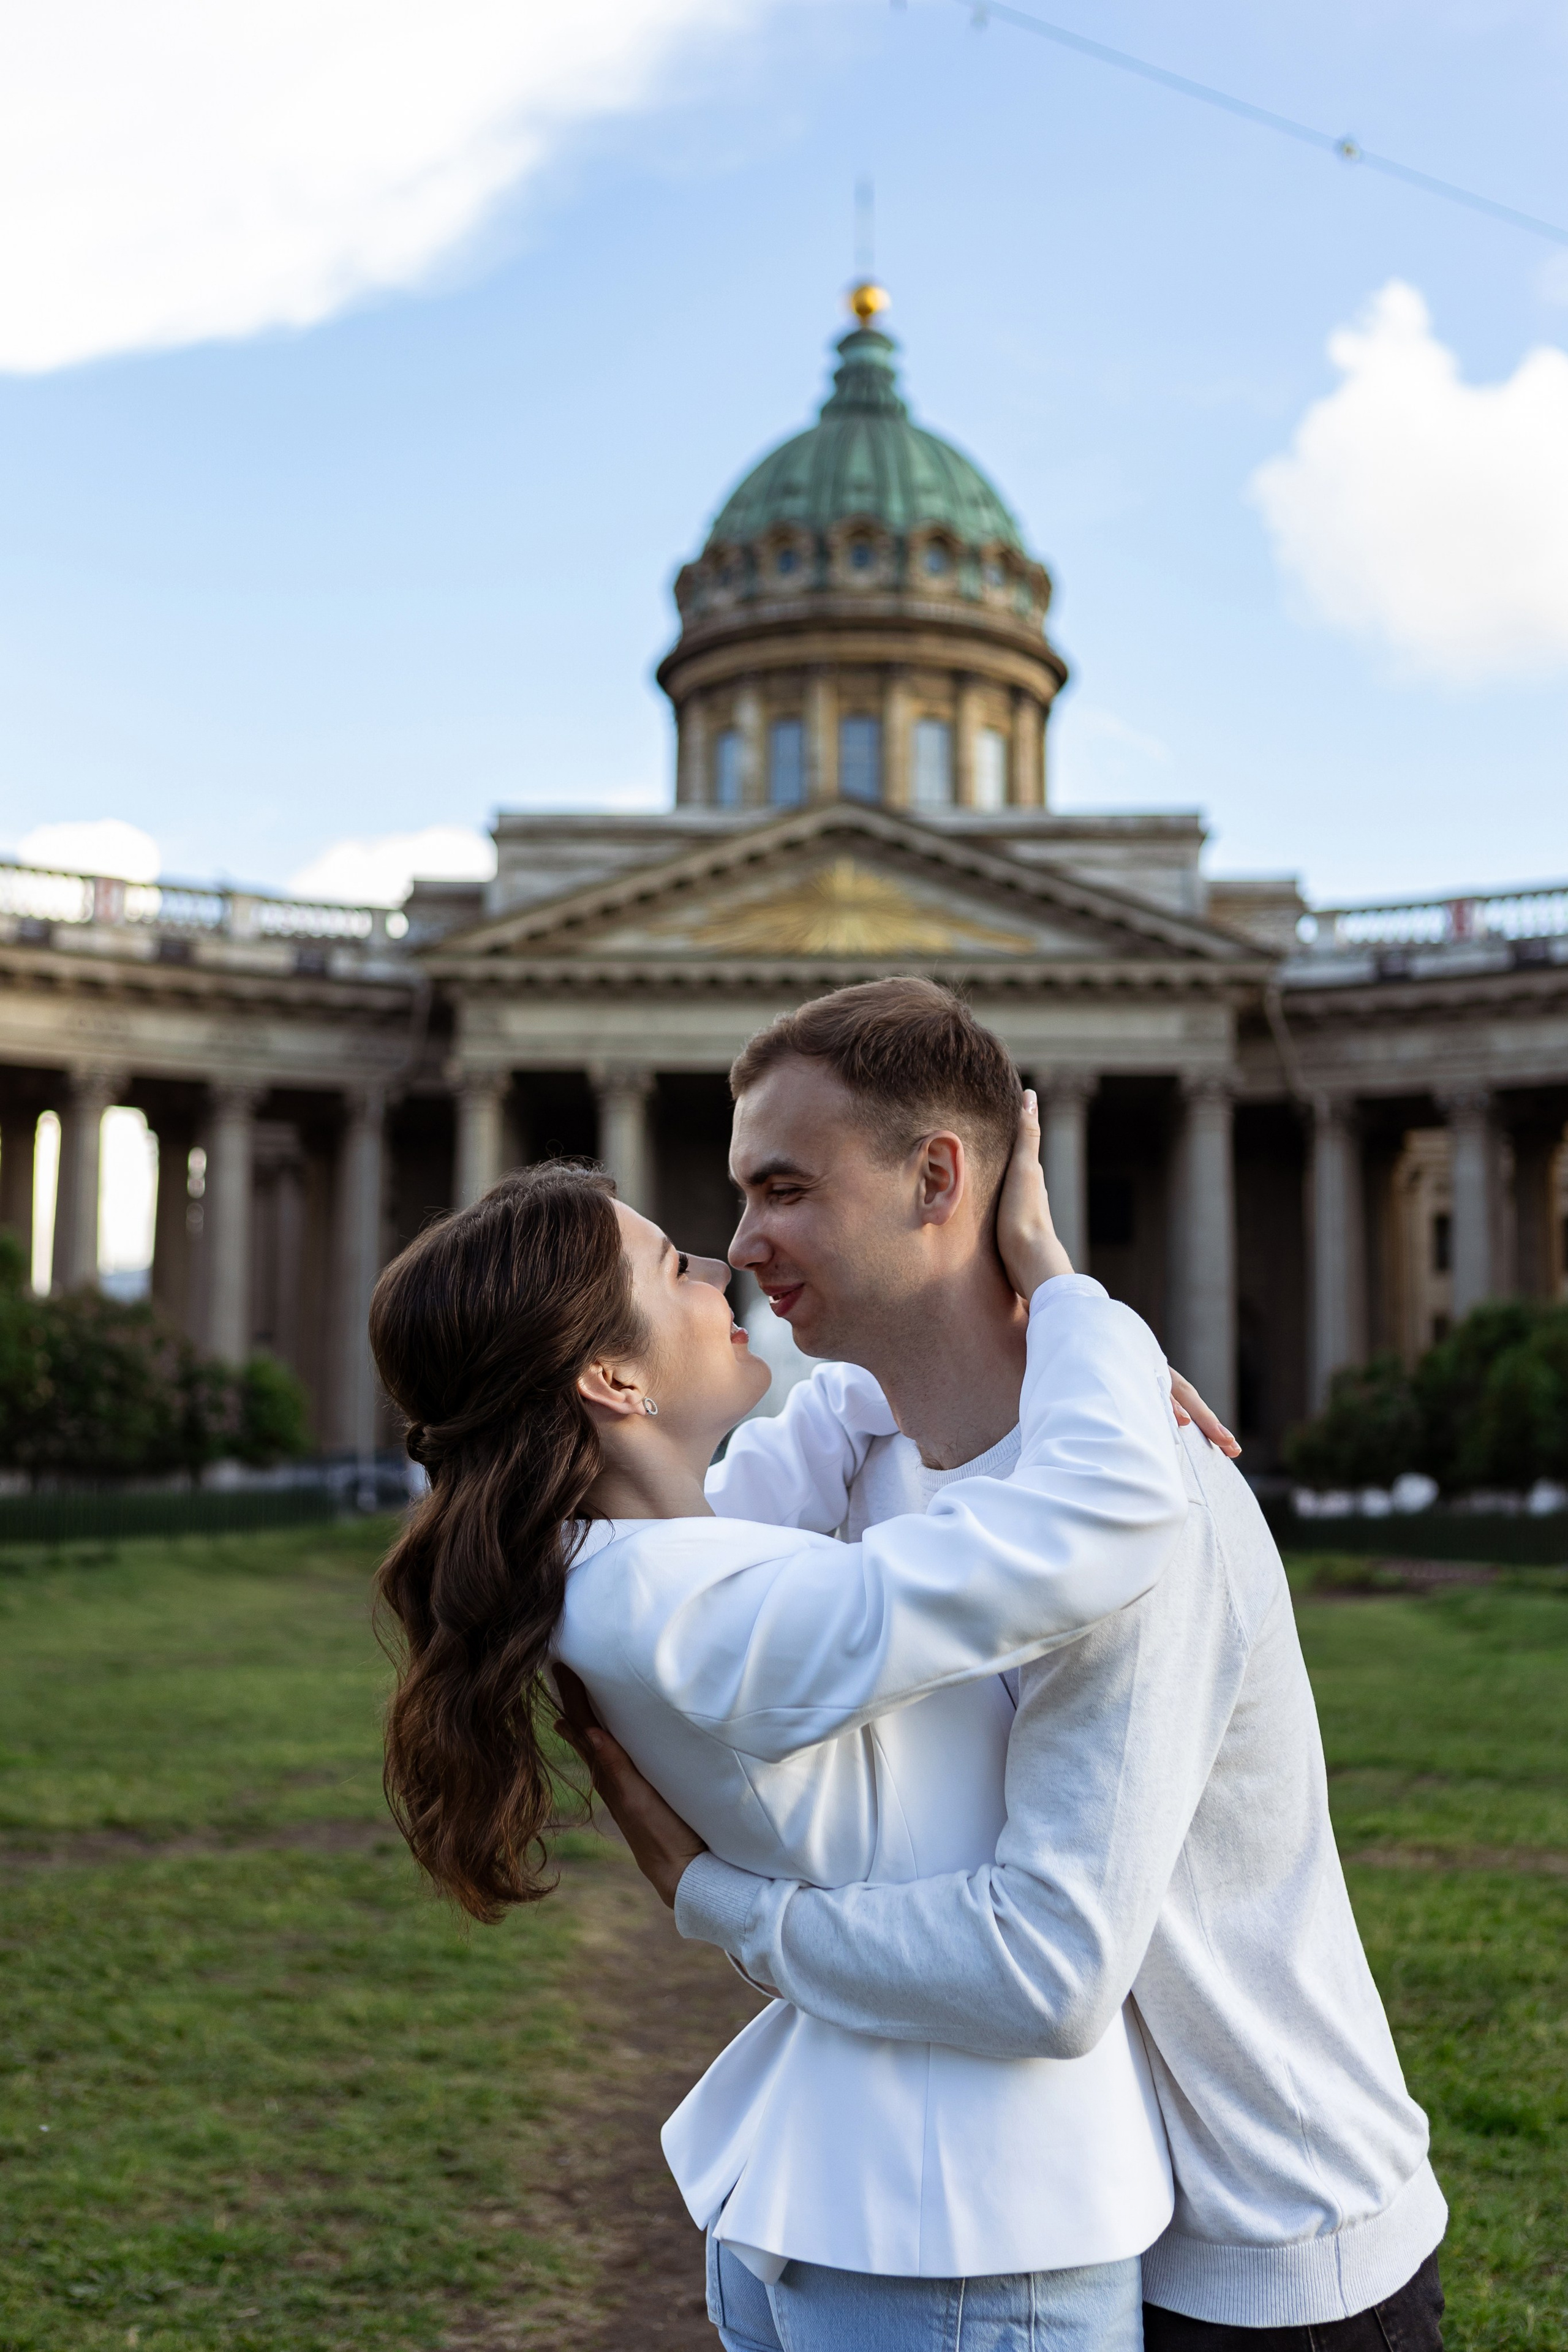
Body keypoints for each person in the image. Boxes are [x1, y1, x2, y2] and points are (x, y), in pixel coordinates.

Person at [573, 978, 1449, 2352]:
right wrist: (1062, 1308)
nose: (739, 1243)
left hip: (1263, 2246)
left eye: (784, 1187)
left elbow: (1045, 1963)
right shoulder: (858, 1454)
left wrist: (718, 1904)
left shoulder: (1131, 1504)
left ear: (939, 1177)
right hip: (1077, 2212)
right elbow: (695, 1541)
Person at [367, 1074, 1202, 2350]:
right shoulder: (687, 1609)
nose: (724, 1273)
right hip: (966, 2240)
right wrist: (1070, 1299)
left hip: (880, 2221)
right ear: (609, 1374)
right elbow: (1098, 1524)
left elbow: (829, 1420)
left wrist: (973, 1318)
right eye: (677, 1267)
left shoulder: (626, 1564)